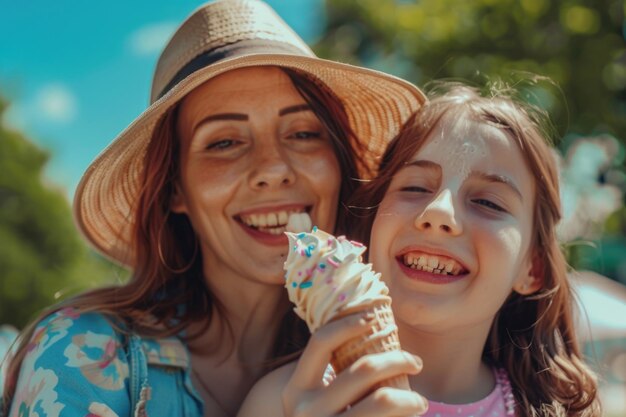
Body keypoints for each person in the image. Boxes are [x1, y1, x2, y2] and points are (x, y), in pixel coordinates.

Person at [0, 1, 426, 416]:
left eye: (302, 133)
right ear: (174, 189)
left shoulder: (401, 353)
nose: (274, 169)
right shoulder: (81, 355)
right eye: (224, 142)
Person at [238, 83, 601, 416]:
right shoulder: (286, 401)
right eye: (414, 188)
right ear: (370, 229)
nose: (438, 213)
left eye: (488, 202)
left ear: (532, 269)